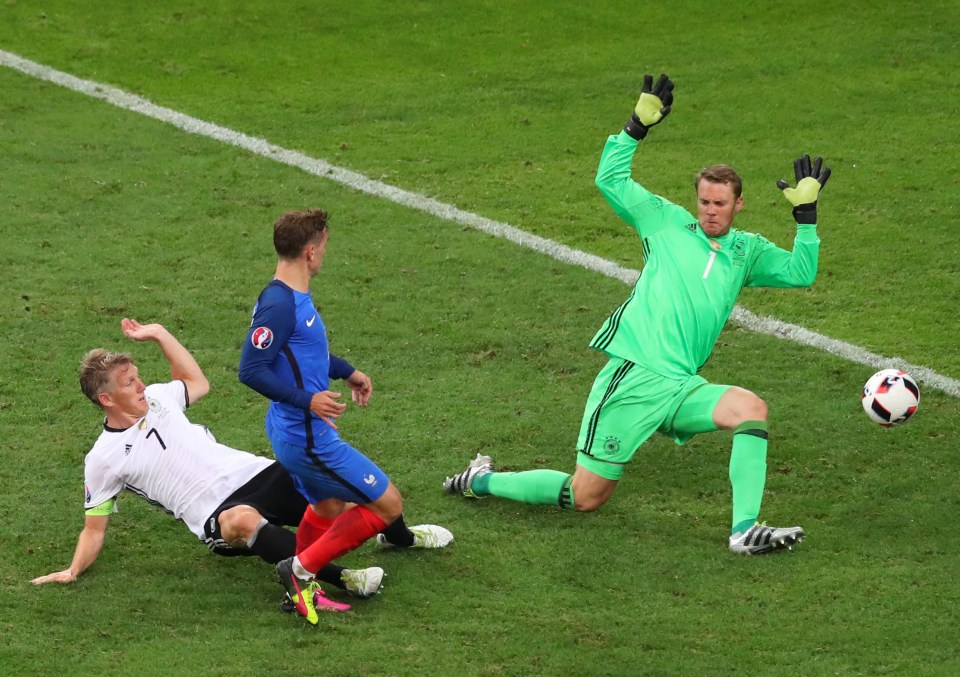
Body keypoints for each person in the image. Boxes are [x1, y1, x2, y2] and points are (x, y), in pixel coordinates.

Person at [444, 74, 831, 555]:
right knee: (585, 497)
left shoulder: (746, 252)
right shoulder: (665, 222)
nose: (711, 211)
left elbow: (800, 272)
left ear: (739, 204)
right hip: (633, 377)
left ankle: (744, 530)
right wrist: (634, 128)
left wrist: (807, 217)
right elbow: (609, 179)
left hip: (681, 384)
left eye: (721, 203)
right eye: (705, 201)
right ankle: (481, 481)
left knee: (751, 409)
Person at [31, 318, 385, 613]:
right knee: (244, 520)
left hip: (255, 474)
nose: (141, 385)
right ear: (106, 399)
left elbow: (197, 383)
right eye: (129, 383)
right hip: (216, 512)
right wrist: (73, 570)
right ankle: (343, 578)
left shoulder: (158, 396)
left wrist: (159, 333)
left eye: (137, 376)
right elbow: (94, 529)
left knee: (342, 497)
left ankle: (402, 536)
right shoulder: (103, 458)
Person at [238, 209, 453, 624]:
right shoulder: (280, 306)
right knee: (387, 504)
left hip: (293, 429)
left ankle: (303, 587)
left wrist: (346, 370)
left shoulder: (286, 295)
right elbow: (250, 369)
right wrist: (308, 401)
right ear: (311, 252)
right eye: (325, 248)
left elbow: (304, 352)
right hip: (306, 436)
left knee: (329, 502)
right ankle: (299, 573)